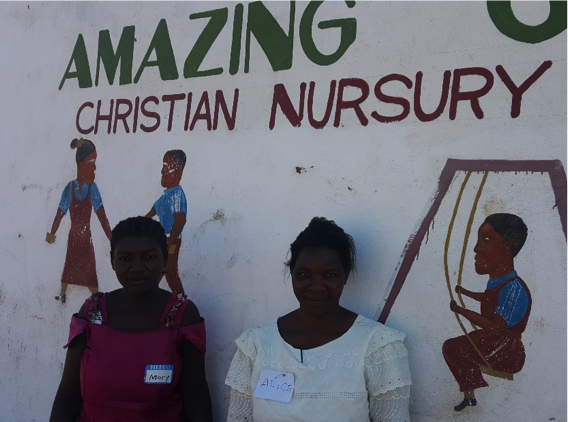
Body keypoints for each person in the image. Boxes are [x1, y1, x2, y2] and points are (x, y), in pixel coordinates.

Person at [225, 217, 412, 422]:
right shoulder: (256, 344)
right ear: (292, 274)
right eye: (304, 274)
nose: (316, 286)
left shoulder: (378, 346)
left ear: (345, 276)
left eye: (330, 276)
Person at [50, 216, 212, 422]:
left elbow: (196, 396)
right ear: (112, 261)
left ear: (165, 260)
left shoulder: (181, 316)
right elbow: (68, 395)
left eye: (149, 257)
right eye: (126, 258)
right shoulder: (92, 313)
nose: (137, 267)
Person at [443, 213, 531, 411]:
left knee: (454, 348)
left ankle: (472, 388)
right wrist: (464, 292)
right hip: (492, 341)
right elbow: (488, 299)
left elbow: (496, 328)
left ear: (506, 250)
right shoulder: (498, 282)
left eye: (487, 240)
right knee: (452, 347)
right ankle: (470, 395)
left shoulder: (514, 289)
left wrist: (460, 310)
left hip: (505, 348)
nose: (476, 248)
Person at [46, 137, 112, 304]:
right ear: (82, 164)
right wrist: (52, 233)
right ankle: (63, 293)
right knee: (70, 266)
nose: (95, 167)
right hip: (74, 237)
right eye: (92, 162)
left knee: (89, 270)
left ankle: (96, 298)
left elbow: (102, 216)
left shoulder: (93, 189)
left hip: (85, 237)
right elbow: (60, 213)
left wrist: (112, 238)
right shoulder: (70, 188)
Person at [146, 149, 187, 295]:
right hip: (164, 239)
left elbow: (180, 220)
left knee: (168, 270)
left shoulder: (177, 194)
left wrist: (170, 243)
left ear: (177, 169)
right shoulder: (166, 195)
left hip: (171, 240)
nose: (162, 170)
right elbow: (154, 209)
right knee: (164, 269)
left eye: (166, 165)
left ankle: (181, 301)